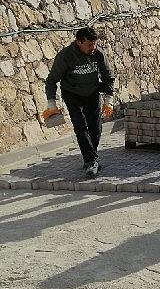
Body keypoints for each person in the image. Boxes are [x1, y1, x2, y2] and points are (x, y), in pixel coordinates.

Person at [44, 27, 115, 178]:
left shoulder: (98, 54)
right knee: (80, 126)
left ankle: (90, 157)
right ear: (78, 42)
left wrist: (109, 100)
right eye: (89, 45)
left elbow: (108, 77)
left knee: (95, 128)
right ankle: (91, 161)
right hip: (72, 94)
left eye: (95, 44)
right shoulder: (66, 56)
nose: (93, 48)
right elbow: (52, 80)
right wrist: (52, 104)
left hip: (92, 92)